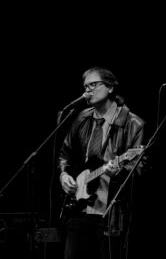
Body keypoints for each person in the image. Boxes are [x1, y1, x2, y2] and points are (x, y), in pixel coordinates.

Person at [58, 67, 146, 259]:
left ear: (111, 87)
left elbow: (137, 170)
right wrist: (64, 175)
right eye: (85, 87)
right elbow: (65, 154)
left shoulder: (133, 123)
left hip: (110, 214)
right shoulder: (81, 118)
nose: (87, 91)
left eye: (93, 85)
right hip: (78, 207)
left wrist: (119, 173)